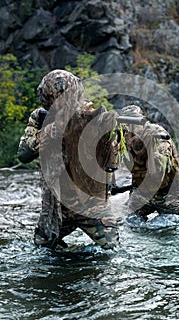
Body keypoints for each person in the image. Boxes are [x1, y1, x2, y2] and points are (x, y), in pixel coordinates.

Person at [18, 69, 119, 250]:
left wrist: (107, 135)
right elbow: (24, 154)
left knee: (113, 253)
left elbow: (111, 164)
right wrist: (47, 133)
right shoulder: (40, 118)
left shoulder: (91, 115)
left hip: (92, 205)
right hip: (56, 208)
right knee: (42, 252)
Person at [118, 105, 179, 223]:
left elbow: (158, 171)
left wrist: (151, 147)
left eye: (133, 124)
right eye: (126, 125)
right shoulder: (125, 137)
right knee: (130, 221)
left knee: (172, 221)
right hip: (142, 190)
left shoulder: (157, 134)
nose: (129, 128)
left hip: (166, 190)